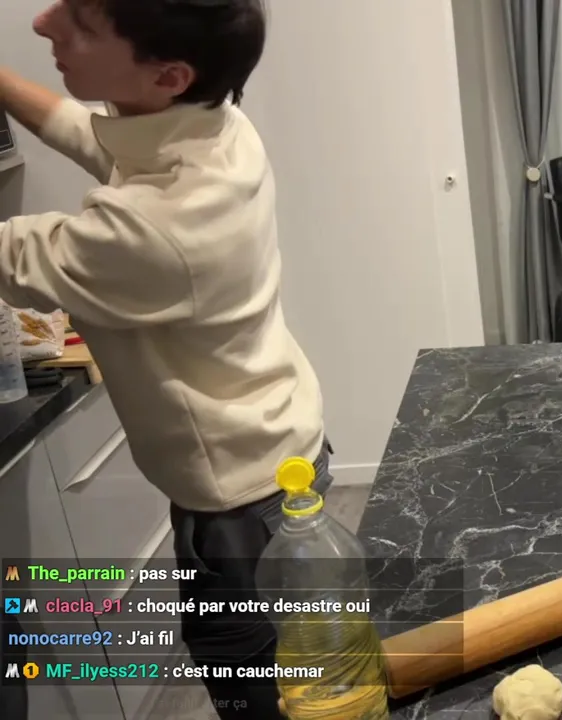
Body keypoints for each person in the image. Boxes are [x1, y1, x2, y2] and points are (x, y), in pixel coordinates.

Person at [0, 1, 327, 717]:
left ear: (168, 75)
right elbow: (90, 134)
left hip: (241, 509)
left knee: (264, 690)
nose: (44, 23)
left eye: (81, 23)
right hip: (281, 451)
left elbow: (13, 255)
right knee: (308, 668)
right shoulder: (218, 125)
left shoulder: (154, 231)